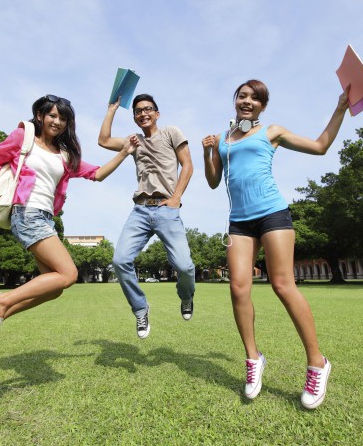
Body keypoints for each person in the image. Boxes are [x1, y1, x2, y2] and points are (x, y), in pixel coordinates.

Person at [0, 94, 139, 353]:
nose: (58, 121)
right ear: (40, 115)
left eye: (63, 118)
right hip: (26, 213)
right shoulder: (24, 137)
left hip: (45, 219)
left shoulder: (64, 154)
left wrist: (124, 152)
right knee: (69, 274)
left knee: (54, 287)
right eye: (52, 115)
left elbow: (96, 174)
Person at [202, 80, 349, 409]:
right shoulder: (225, 138)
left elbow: (321, 145)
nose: (247, 101)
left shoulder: (272, 132)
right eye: (242, 96)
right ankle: (253, 360)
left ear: (262, 107)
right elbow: (213, 182)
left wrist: (340, 108)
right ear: (235, 100)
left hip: (272, 213)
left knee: (283, 285)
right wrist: (209, 151)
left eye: (255, 98)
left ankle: (317, 362)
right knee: (238, 288)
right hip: (239, 221)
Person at [98, 94, 196, 339]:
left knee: (184, 266)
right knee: (120, 261)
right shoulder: (134, 142)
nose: (143, 113)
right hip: (140, 209)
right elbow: (103, 140)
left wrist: (175, 198)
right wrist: (112, 109)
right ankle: (141, 308)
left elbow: (188, 164)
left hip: (167, 208)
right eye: (138, 111)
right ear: (134, 117)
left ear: (157, 113)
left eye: (148, 109)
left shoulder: (171, 132)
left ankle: (186, 297)